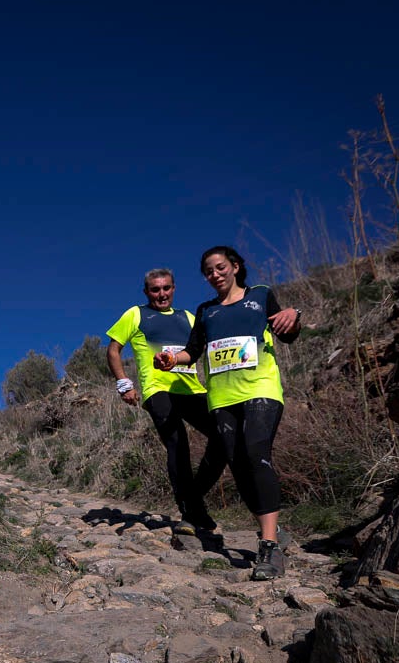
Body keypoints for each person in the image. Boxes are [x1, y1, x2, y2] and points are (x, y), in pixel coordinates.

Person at [154, 246, 302, 581]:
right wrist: (172, 359)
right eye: (208, 271)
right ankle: (274, 531)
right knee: (238, 466)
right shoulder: (206, 311)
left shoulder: (260, 295)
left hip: (260, 389)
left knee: (256, 454)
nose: (215, 274)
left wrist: (294, 316)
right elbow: (193, 351)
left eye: (220, 267)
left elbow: (288, 333)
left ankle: (268, 547)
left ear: (235, 267)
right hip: (221, 398)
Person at [105, 268, 226, 535]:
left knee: (225, 437)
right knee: (177, 445)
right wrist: (124, 384)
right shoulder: (136, 314)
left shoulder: (189, 317)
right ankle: (190, 509)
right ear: (146, 292)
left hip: (192, 389)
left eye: (166, 288)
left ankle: (194, 501)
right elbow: (113, 350)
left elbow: (209, 345)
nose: (162, 294)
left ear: (174, 288)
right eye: (155, 289)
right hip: (157, 390)